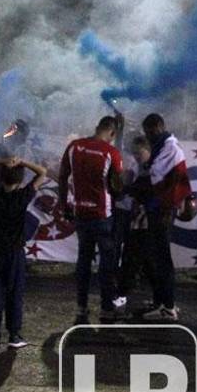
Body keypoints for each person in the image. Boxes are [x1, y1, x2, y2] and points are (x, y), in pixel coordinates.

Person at [58, 115, 124, 325]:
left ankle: (81, 305)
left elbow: (62, 176)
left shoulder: (74, 147)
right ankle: (106, 308)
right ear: (112, 133)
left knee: (84, 260)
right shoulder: (111, 153)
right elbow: (117, 186)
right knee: (107, 263)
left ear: (97, 127)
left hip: (80, 213)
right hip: (103, 215)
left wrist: (63, 203)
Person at [0, 156, 47, 348]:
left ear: (0, 178)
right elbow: (42, 172)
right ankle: (14, 335)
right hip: (15, 252)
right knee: (15, 294)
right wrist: (23, 162)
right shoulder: (22, 196)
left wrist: (2, 161)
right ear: (20, 181)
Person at [141, 113, 190, 321]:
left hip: (162, 211)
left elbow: (172, 183)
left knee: (161, 259)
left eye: (151, 131)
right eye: (146, 132)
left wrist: (166, 208)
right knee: (156, 257)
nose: (149, 135)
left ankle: (167, 306)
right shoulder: (162, 148)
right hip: (158, 209)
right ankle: (162, 300)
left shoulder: (170, 150)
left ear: (160, 126)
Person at [115, 135, 155, 309]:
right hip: (138, 219)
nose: (137, 157)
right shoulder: (141, 167)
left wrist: (128, 189)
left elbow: (144, 191)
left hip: (147, 221)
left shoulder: (152, 169)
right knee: (138, 258)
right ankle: (160, 299)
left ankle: (124, 293)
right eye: (135, 153)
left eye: (140, 153)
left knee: (134, 257)